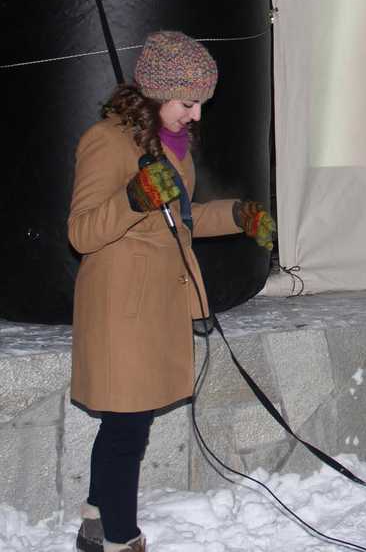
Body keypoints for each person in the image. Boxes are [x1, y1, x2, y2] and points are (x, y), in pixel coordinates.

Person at [68, 31, 275, 552]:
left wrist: (234, 214)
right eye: (189, 103)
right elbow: (82, 232)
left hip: (154, 306)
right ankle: (119, 540)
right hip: (122, 308)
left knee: (128, 424)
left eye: (201, 104)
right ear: (158, 95)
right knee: (125, 427)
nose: (197, 115)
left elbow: (177, 220)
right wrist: (133, 197)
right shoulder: (108, 141)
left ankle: (96, 523)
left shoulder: (168, 146)